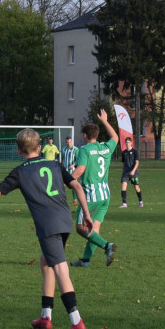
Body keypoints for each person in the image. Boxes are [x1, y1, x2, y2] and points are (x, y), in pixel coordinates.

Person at [0, 129, 94, 329]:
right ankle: (45, 317)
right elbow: (77, 188)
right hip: (64, 221)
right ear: (40, 148)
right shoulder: (55, 164)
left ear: (18, 150)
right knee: (46, 262)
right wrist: (87, 215)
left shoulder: (20, 171)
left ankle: (76, 321)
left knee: (60, 268)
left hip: (48, 225)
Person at [70, 110, 119, 268]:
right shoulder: (105, 147)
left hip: (91, 195)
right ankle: (85, 260)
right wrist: (105, 121)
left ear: (85, 136)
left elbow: (80, 170)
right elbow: (116, 138)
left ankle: (107, 246)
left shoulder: (84, 150)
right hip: (105, 194)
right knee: (94, 228)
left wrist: (65, 180)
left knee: (80, 228)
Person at [120, 137, 144, 208]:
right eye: (126, 142)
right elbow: (124, 163)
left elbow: (137, 162)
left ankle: (140, 201)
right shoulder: (124, 153)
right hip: (126, 173)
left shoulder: (135, 151)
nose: (127, 144)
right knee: (123, 186)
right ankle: (124, 204)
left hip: (134, 173)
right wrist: (124, 171)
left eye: (128, 142)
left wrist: (133, 171)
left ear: (131, 143)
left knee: (136, 187)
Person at [60, 136, 79, 203]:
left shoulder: (75, 149)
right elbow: (62, 159)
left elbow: (78, 159)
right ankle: (62, 198)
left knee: (73, 185)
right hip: (65, 170)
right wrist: (61, 166)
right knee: (62, 184)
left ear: (72, 142)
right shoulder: (64, 149)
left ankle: (75, 199)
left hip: (73, 170)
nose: (68, 144)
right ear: (65, 142)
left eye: (70, 142)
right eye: (67, 142)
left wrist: (73, 165)